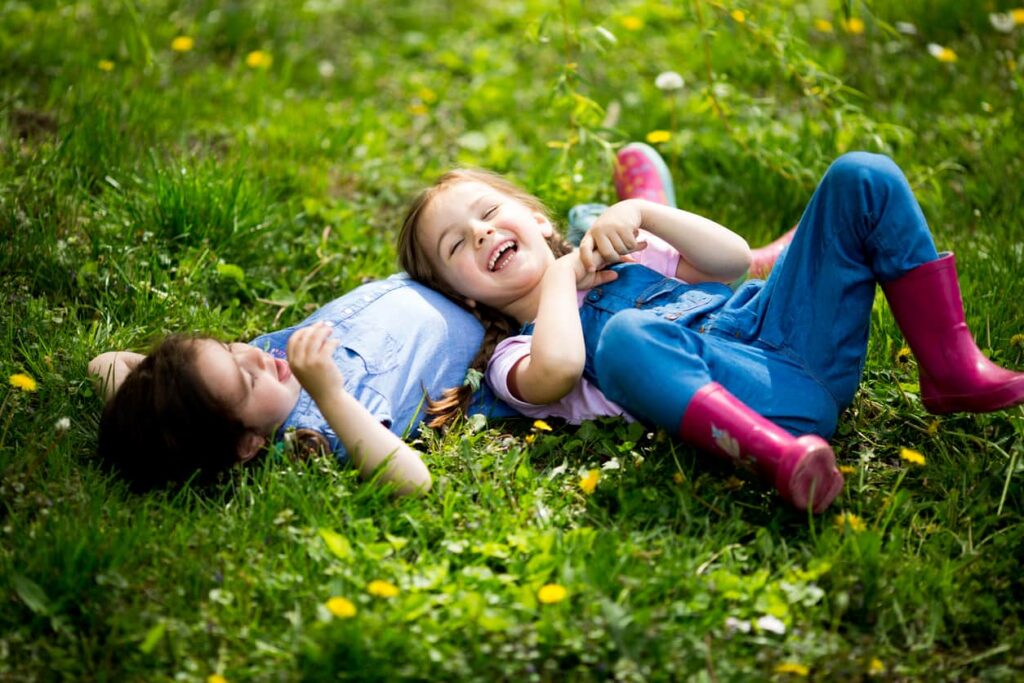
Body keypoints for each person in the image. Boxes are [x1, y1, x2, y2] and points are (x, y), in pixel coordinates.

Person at [397, 151, 1024, 513]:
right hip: (754, 402)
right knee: (626, 338)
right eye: (457, 245)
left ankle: (950, 367)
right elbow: (559, 370)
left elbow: (728, 261)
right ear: (463, 295)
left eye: (487, 213)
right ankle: (776, 459)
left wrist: (643, 213)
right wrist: (561, 282)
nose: (480, 233)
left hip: (789, 337)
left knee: (862, 175)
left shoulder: (626, 255)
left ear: (534, 217)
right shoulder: (515, 354)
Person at [89, 275, 514, 495]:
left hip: (454, 281)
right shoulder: (324, 431)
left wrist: (150, 411)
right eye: (247, 380)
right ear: (247, 445)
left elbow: (104, 363)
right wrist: (330, 394)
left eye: (229, 348)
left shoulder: (256, 368)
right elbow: (414, 482)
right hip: (503, 327)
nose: (255, 356)